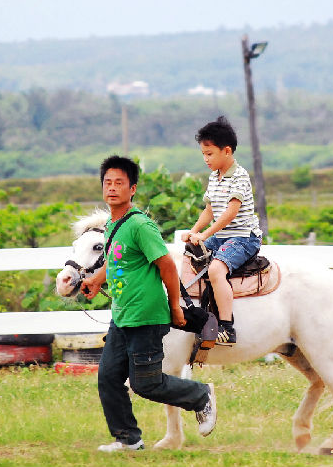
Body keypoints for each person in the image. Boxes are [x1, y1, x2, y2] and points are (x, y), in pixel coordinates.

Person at [81, 155, 216, 452]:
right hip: (123, 315)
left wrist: (175, 307)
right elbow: (119, 262)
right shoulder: (113, 225)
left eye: (119, 183)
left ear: (132, 189)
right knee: (108, 378)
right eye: (108, 183)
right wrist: (96, 279)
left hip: (147, 316)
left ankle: (201, 395)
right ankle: (129, 440)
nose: (112, 188)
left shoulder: (141, 225)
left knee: (146, 383)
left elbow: (166, 265)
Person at [180, 116, 262, 346]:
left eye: (210, 154)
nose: (206, 159)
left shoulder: (240, 176)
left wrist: (205, 235)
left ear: (227, 151)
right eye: (203, 154)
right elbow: (210, 210)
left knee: (216, 270)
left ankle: (226, 327)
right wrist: (194, 230)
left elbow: (230, 213)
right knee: (188, 255)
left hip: (243, 237)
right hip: (223, 236)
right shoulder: (214, 177)